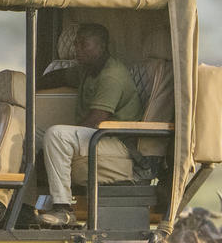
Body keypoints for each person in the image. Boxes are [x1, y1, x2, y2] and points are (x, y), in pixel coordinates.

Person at [37, 24, 143, 227]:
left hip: (116, 142)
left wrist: (59, 143)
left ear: (101, 46)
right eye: (76, 43)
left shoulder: (111, 75)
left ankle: (63, 209)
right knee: (32, 133)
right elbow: (58, 76)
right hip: (98, 136)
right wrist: (32, 84)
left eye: (83, 44)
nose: (77, 48)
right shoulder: (88, 69)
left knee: (56, 135)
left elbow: (96, 120)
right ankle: (24, 204)